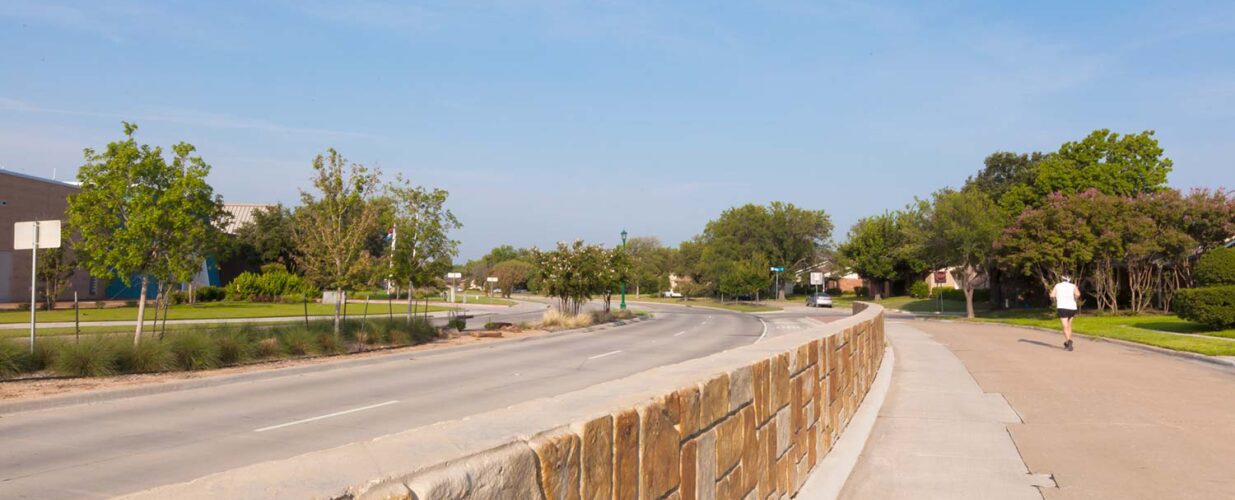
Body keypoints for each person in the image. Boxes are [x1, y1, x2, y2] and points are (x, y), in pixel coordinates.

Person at [1050, 275, 1081, 351]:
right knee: (1069, 325)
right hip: (1072, 307)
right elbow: (1078, 294)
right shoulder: (1073, 285)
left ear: (1062, 279)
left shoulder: (1058, 285)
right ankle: (1068, 342)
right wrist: (1074, 298)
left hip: (1062, 307)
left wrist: (1056, 298)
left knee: (1065, 326)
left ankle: (1069, 341)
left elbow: (1052, 295)